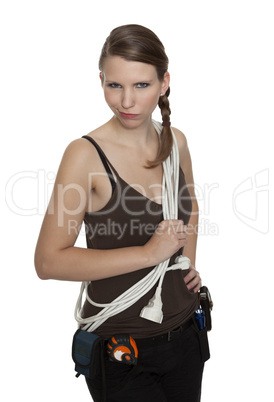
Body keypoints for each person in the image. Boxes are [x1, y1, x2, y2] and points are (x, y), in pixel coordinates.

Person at [35, 24, 209, 402]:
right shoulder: (83, 156)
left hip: (186, 335)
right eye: (115, 85)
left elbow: (190, 207)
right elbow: (48, 262)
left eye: (141, 86)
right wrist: (149, 254)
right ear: (101, 81)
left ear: (164, 82)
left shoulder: (175, 141)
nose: (126, 101)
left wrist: (186, 263)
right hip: (121, 347)